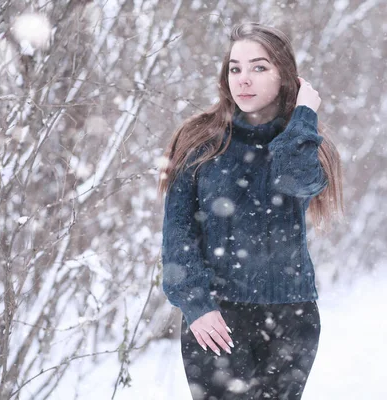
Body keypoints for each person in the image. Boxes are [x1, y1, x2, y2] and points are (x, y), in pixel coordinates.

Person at [158, 22, 343, 400]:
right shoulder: (199, 141)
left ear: (285, 77)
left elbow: (295, 180)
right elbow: (177, 236)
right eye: (235, 68)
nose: (243, 79)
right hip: (217, 318)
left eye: (259, 67)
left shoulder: (303, 143)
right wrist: (197, 304)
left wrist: (303, 113)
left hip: (292, 318)